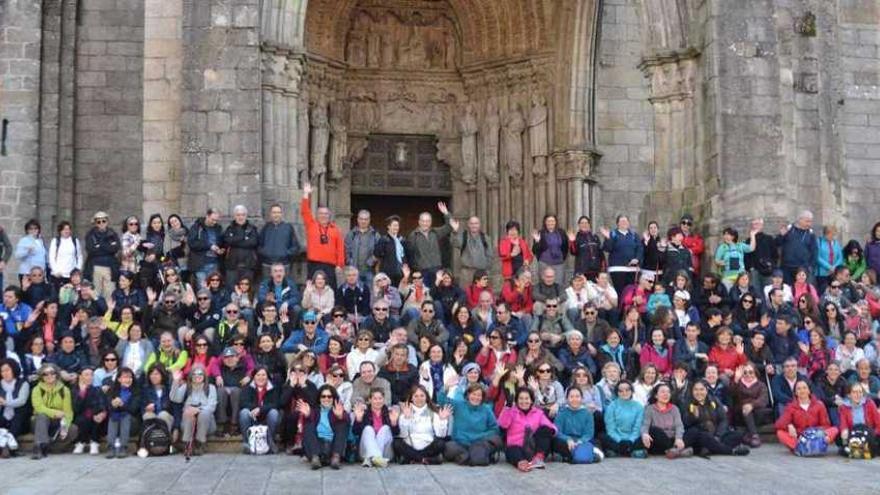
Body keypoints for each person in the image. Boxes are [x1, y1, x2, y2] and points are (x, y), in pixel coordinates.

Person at [440, 383, 503, 465]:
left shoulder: (486, 409)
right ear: (468, 394)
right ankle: (469, 456)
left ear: (482, 397)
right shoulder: (459, 405)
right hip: (460, 443)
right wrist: (446, 387)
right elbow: (441, 400)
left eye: (479, 395)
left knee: (479, 458)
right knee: (448, 449)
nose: (476, 397)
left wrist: (480, 436)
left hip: (479, 443)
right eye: (473, 394)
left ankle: (466, 457)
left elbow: (494, 429)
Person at [682, 380, 750, 456]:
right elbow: (685, 423)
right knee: (701, 435)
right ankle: (731, 451)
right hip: (701, 436)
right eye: (696, 390)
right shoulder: (688, 402)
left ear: (706, 390)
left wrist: (718, 435)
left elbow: (723, 419)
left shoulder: (713, 401)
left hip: (716, 434)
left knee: (738, 434)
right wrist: (694, 417)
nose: (699, 393)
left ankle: (710, 449)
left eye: (701, 389)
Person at [497, 387, 557, 472]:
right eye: (521, 398)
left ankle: (538, 458)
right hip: (517, 448)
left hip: (534, 447)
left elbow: (552, 427)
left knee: (546, 429)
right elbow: (502, 425)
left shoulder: (538, 413)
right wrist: (507, 407)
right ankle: (521, 463)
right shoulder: (512, 412)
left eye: (527, 398)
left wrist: (548, 432)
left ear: (531, 400)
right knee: (512, 449)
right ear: (517, 400)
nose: (524, 401)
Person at [774, 379, 838, 453]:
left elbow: (826, 425)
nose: (802, 391)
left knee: (834, 430)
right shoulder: (791, 406)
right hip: (800, 438)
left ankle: (816, 445)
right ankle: (801, 448)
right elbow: (778, 424)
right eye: (799, 388)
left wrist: (814, 432)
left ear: (809, 390)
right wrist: (789, 425)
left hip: (816, 435)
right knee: (780, 433)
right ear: (795, 393)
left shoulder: (819, 405)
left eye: (804, 388)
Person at [30, 363, 78, 459]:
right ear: (41, 376)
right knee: (42, 416)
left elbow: (68, 412)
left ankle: (49, 448)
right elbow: (39, 407)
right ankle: (39, 447)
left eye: (52, 373)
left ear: (57, 374)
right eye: (45, 374)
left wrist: (65, 426)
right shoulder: (37, 389)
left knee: (73, 429)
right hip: (40, 422)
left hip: (58, 421)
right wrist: (55, 413)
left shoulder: (64, 390)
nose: (49, 376)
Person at [301, 184, 345, 288]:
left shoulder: (336, 230)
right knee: (312, 290)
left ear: (329, 216)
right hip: (314, 264)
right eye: (321, 213)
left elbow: (340, 248)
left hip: (329, 265)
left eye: (326, 214)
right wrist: (306, 194)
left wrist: (340, 264)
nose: (323, 216)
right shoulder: (311, 225)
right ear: (317, 215)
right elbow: (304, 211)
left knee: (330, 290)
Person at [393, 384, 450, 464]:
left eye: (422, 396)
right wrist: (406, 418)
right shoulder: (406, 411)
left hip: (428, 447)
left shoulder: (433, 412)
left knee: (441, 443)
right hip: (411, 446)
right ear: (411, 398)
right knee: (397, 443)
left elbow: (441, 435)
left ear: (426, 397)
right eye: (416, 396)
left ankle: (412, 459)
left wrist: (442, 420)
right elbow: (403, 435)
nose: (419, 399)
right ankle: (425, 460)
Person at [171, 364, 217, 455]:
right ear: (190, 376)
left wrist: (198, 409)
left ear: (204, 376)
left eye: (200, 374)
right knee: (188, 412)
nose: (197, 376)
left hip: (207, 424)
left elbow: (212, 406)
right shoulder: (186, 387)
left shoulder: (211, 388)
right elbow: (174, 398)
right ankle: (188, 444)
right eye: (194, 374)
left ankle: (200, 443)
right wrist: (175, 381)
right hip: (187, 423)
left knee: (204, 413)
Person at [405, 202, 454, 289]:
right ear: (419, 222)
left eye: (427, 221)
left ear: (431, 222)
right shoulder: (413, 236)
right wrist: (415, 270)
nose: (425, 223)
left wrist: (446, 213)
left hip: (437, 269)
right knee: (424, 294)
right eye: (423, 221)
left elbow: (450, 226)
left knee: (437, 293)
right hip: (423, 271)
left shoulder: (435, 232)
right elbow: (409, 255)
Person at [300, 384, 348, 469]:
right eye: (323, 396)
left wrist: (340, 417)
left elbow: (347, 420)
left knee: (342, 424)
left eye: (329, 397)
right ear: (319, 398)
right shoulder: (315, 410)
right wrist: (307, 415)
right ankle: (315, 458)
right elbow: (307, 427)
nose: (326, 399)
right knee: (308, 425)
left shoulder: (338, 409)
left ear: (333, 398)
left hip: (333, 445)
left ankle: (336, 458)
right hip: (317, 446)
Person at [640, 382, 692, 458]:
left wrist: (678, 438)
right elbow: (645, 425)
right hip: (658, 441)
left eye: (668, 392)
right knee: (654, 430)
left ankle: (674, 450)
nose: (666, 394)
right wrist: (644, 434)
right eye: (663, 392)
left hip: (673, 440)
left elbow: (679, 426)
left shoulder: (674, 408)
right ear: (656, 395)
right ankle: (677, 451)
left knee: (692, 431)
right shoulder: (650, 409)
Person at [553, 386, 603, 463]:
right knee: (555, 442)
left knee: (595, 441)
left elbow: (589, 433)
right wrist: (568, 439)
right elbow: (557, 431)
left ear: (582, 398)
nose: (574, 399)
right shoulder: (561, 413)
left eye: (577, 396)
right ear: (567, 399)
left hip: (582, 440)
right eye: (571, 397)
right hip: (567, 441)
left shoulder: (587, 413)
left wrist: (580, 441)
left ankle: (572, 456)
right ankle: (575, 455)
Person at [352, 387, 399, 467]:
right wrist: (358, 419)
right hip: (365, 451)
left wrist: (394, 423)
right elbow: (355, 432)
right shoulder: (364, 412)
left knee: (385, 428)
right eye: (375, 399)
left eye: (380, 398)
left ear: (384, 399)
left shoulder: (389, 413)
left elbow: (396, 433)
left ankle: (372, 458)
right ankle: (376, 458)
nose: (378, 401)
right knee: (368, 429)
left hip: (386, 452)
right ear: (370, 400)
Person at [239, 366, 281, 454]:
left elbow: (276, 404)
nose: (261, 378)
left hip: (266, 417)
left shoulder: (274, 387)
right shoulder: (247, 387)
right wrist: (254, 409)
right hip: (253, 417)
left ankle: (270, 441)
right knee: (244, 413)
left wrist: (260, 409)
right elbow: (243, 402)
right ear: (254, 376)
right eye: (258, 375)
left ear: (267, 376)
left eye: (263, 375)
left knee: (274, 413)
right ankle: (247, 443)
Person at [601, 380, 646, 457]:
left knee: (647, 437)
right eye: (621, 391)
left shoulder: (639, 407)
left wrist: (631, 440)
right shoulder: (611, 406)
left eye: (627, 390)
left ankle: (618, 451)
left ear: (632, 391)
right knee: (602, 436)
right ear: (617, 392)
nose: (624, 392)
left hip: (633, 439)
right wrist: (619, 440)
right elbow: (610, 428)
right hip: (616, 439)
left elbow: (638, 427)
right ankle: (631, 451)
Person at [731, 362, 771, 447]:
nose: (748, 374)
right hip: (741, 413)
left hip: (757, 412)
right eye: (745, 372)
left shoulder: (761, 385)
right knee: (745, 408)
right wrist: (736, 380)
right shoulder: (738, 383)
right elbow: (732, 394)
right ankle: (754, 435)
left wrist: (752, 405)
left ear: (755, 372)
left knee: (758, 410)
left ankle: (747, 436)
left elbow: (764, 399)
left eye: (750, 372)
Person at [602, 215, 643, 296]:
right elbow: (607, 248)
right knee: (620, 293)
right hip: (617, 269)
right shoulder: (613, 234)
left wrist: (637, 259)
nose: (624, 223)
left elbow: (640, 248)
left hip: (632, 269)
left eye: (626, 221)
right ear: (617, 224)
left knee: (631, 293)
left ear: (628, 223)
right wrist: (607, 239)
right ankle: (620, 308)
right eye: (621, 221)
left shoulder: (634, 235)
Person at [258, 203, 301, 280]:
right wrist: (265, 253)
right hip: (268, 264)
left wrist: (285, 253)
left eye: (278, 212)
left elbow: (296, 246)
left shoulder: (288, 227)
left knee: (284, 289)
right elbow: (259, 245)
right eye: (274, 212)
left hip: (283, 265)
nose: (276, 215)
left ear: (281, 214)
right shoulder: (266, 227)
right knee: (267, 289)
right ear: (270, 214)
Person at [84, 212, 120, 301]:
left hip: (110, 268)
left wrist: (100, 246)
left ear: (107, 222)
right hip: (96, 267)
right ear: (95, 223)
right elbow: (91, 250)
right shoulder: (90, 234)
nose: (101, 224)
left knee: (110, 293)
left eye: (103, 221)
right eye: (98, 222)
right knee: (96, 293)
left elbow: (115, 248)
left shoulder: (112, 234)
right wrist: (107, 247)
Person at [105, 367, 139, 458]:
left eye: (130, 377)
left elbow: (133, 409)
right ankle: (110, 447)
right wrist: (113, 405)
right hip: (115, 420)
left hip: (132, 422)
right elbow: (108, 407)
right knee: (113, 416)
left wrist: (121, 404)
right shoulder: (112, 390)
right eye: (125, 377)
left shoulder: (136, 391)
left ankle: (123, 447)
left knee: (125, 416)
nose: (128, 380)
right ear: (119, 379)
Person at [187, 208, 225, 290]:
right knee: (203, 289)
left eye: (216, 220)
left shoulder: (218, 228)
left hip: (214, 263)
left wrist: (221, 249)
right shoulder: (197, 227)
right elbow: (192, 243)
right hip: (200, 264)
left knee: (214, 289)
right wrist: (209, 246)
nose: (214, 222)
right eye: (212, 220)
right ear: (207, 216)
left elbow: (221, 242)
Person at [838, 383, 880, 456]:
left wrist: (873, 434)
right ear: (849, 395)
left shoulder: (869, 403)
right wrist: (845, 434)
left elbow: (878, 423)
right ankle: (857, 449)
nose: (858, 395)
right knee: (840, 436)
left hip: (869, 433)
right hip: (854, 434)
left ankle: (862, 449)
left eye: (860, 392)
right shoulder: (844, 407)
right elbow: (843, 425)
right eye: (854, 392)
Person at [222, 205, 259, 289]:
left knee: (247, 290)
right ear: (234, 216)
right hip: (232, 266)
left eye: (243, 215)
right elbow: (227, 241)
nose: (240, 217)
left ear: (246, 215)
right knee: (231, 289)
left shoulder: (252, 229)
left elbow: (253, 242)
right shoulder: (229, 228)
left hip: (248, 265)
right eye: (238, 215)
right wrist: (243, 237)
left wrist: (234, 241)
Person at [777, 211, 817, 286]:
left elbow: (814, 252)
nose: (809, 224)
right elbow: (777, 243)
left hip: (802, 268)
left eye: (811, 221)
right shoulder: (789, 229)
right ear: (800, 220)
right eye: (807, 221)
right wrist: (781, 235)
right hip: (787, 267)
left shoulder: (811, 234)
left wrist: (811, 267)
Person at [0, 359, 28, 457]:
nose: (5, 373)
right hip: (3, 418)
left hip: (20, 420)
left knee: (20, 413)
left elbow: (21, 401)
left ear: (14, 370)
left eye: (7, 370)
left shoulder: (23, 383)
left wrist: (5, 402)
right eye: (2, 371)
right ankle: (7, 446)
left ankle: (6, 445)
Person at [345, 209, 379, 288]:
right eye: (361, 219)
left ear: (369, 220)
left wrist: (371, 262)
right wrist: (350, 262)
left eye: (366, 219)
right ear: (358, 219)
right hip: (354, 271)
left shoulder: (375, 235)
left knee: (369, 294)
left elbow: (379, 252)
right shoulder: (351, 234)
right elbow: (346, 250)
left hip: (370, 270)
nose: (363, 221)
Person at [373, 215, 408, 286]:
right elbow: (377, 254)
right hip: (388, 274)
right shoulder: (384, 240)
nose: (396, 228)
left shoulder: (402, 240)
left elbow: (405, 256)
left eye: (397, 226)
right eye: (394, 225)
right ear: (388, 226)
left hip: (400, 273)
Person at [47, 221, 83, 288]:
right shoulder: (55, 241)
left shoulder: (75, 241)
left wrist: (78, 269)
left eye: (68, 229)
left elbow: (79, 256)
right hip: (59, 275)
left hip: (71, 275)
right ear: (60, 231)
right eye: (64, 229)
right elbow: (51, 257)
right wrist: (56, 271)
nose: (67, 231)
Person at [568, 216, 604, 281]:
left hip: (595, 270)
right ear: (579, 225)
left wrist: (603, 269)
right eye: (582, 223)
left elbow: (601, 254)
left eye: (586, 223)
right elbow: (573, 252)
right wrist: (572, 242)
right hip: (582, 271)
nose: (584, 225)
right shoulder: (576, 237)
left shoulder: (595, 237)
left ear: (589, 224)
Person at [142, 364, 174, 432]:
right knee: (148, 415)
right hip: (152, 416)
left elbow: (175, 409)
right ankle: (152, 440)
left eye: (156, 374)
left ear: (162, 375)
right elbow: (142, 407)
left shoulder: (169, 388)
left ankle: (164, 439)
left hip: (167, 418)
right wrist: (146, 409)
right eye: (151, 374)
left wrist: (176, 428)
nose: (153, 376)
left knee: (163, 415)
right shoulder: (145, 389)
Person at [15, 219, 47, 287]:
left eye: (35, 228)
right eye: (31, 229)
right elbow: (17, 255)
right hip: (27, 273)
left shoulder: (41, 241)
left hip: (39, 274)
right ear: (27, 230)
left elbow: (43, 257)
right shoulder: (24, 240)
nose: (33, 230)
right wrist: (27, 251)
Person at [816, 225, 843, 294]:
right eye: (832, 234)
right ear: (826, 234)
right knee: (823, 292)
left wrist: (835, 267)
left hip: (833, 273)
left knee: (834, 291)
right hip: (822, 273)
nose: (833, 237)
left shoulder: (836, 243)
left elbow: (840, 257)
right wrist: (829, 267)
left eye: (834, 234)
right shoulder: (819, 241)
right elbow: (817, 257)